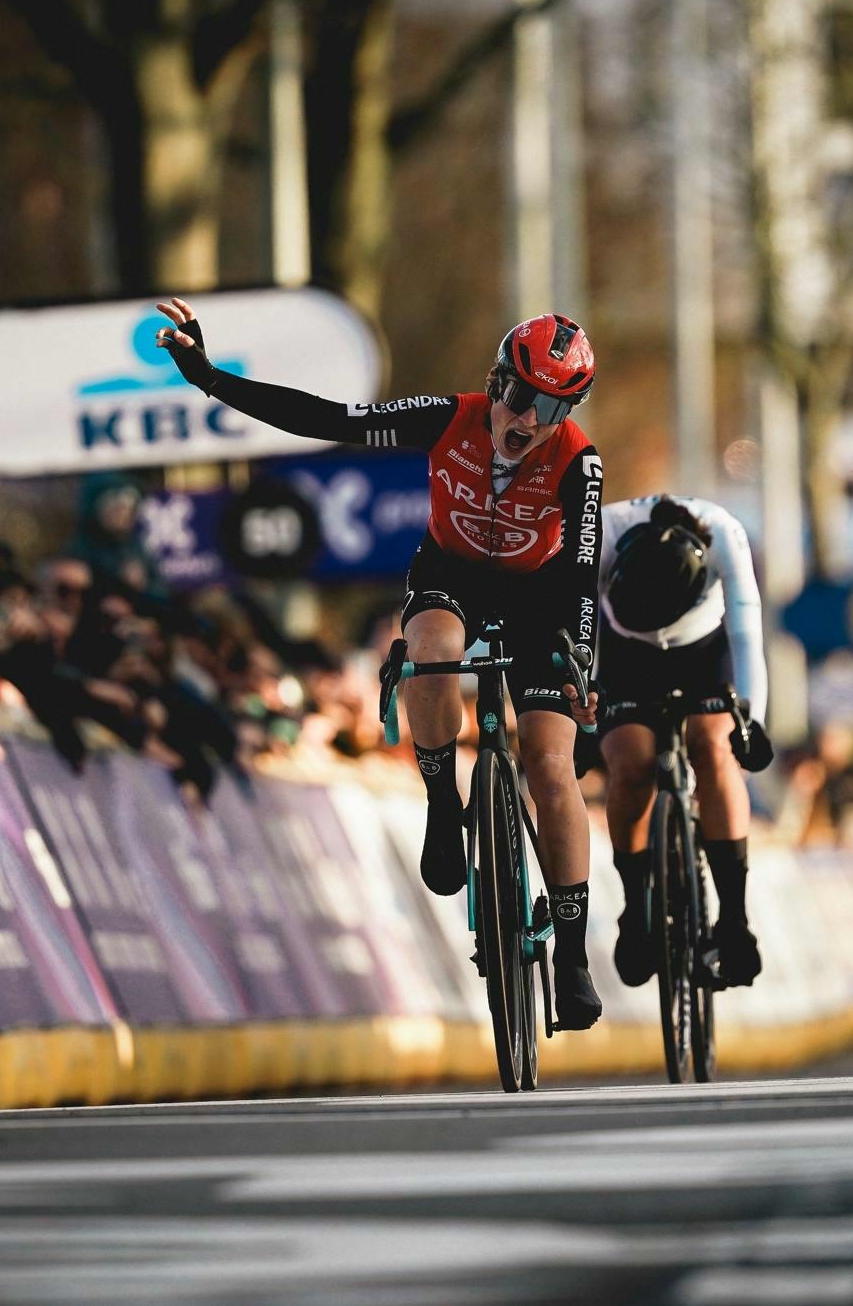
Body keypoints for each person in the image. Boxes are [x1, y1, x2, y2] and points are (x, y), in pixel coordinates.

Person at [154, 297, 609, 1030]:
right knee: (431, 652)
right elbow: (328, 421)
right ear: (497, 383)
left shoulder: (577, 462)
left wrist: (579, 657)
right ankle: (440, 800)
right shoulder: (449, 417)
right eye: (521, 396)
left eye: (551, 408)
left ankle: (573, 953)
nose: (528, 420)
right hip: (451, 572)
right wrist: (210, 378)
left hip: (541, 595)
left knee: (551, 767)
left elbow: (584, 569)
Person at [593, 495, 774, 990]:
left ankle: (734, 919)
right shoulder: (600, 534)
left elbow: (746, 630)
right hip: (624, 650)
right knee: (630, 765)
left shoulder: (724, 534)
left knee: (713, 748)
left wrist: (751, 720)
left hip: (704, 648)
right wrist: (583, 721)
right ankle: (636, 906)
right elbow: (574, 627)